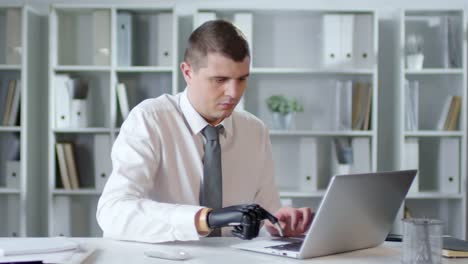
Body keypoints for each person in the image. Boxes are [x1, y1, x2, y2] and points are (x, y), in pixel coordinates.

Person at [96, 19, 312, 243]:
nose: (234, 92)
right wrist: (205, 219)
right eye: (220, 80)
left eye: (242, 79)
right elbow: (114, 212)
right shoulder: (149, 120)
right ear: (187, 72)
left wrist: (278, 222)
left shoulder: (255, 130)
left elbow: (267, 211)